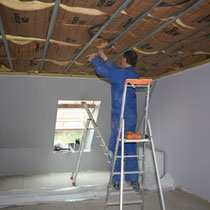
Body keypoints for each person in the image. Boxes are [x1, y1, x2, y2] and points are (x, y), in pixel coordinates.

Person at [87, 49, 140, 191]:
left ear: (124, 60)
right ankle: (133, 180)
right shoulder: (132, 74)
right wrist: (104, 55)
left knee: (115, 148)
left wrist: (95, 59)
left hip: (119, 119)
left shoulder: (120, 75)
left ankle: (116, 181)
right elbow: (116, 70)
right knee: (130, 148)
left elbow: (103, 71)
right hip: (131, 118)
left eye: (122, 59)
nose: (121, 61)